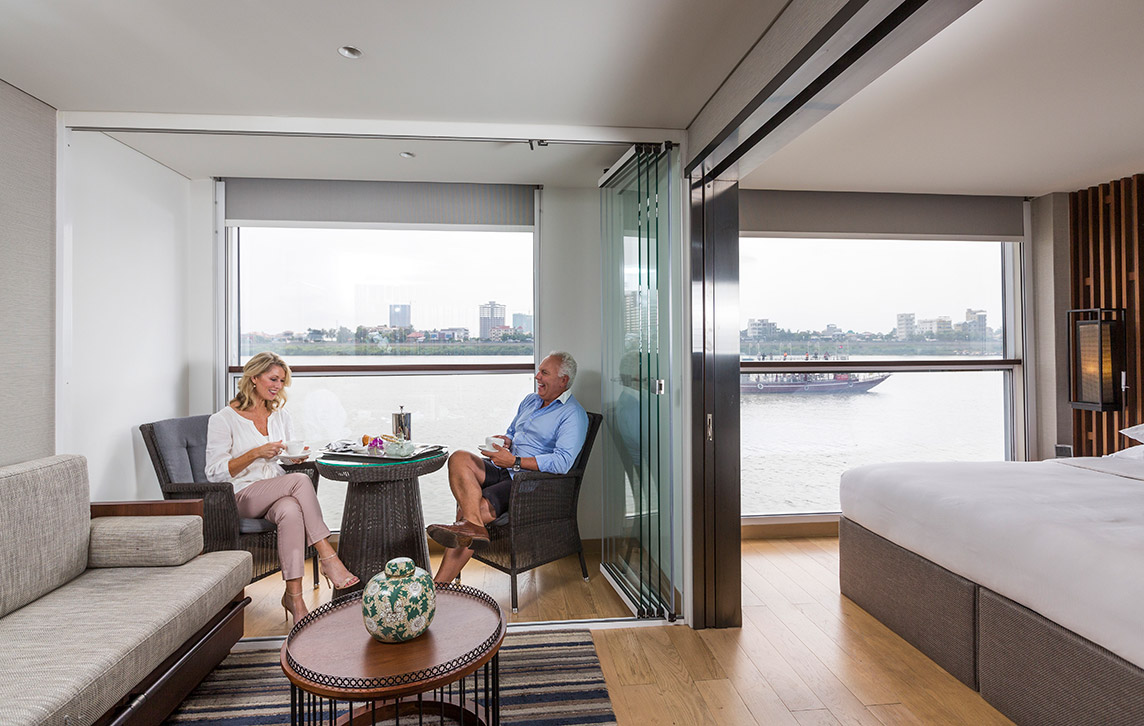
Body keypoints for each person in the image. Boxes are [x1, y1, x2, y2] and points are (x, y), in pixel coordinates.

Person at [205, 351, 359, 624]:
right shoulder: (223, 419)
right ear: (254, 377)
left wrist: (293, 459)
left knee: (289, 510)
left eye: (282, 381)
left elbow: (283, 459)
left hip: (275, 492)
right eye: (272, 379)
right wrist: (255, 453)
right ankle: (328, 556)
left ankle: (294, 598)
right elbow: (215, 473)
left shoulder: (281, 416)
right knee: (300, 481)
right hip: (240, 496)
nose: (277, 386)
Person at [426, 351, 589, 584]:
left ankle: (438, 587)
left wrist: (516, 462)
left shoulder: (573, 415)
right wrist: (506, 441)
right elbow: (513, 431)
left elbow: (563, 462)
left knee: (472, 512)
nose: (537, 376)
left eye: (544, 372)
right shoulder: (530, 401)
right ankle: (474, 528)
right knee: (459, 458)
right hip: (505, 465)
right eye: (538, 370)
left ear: (563, 381)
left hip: (528, 480)